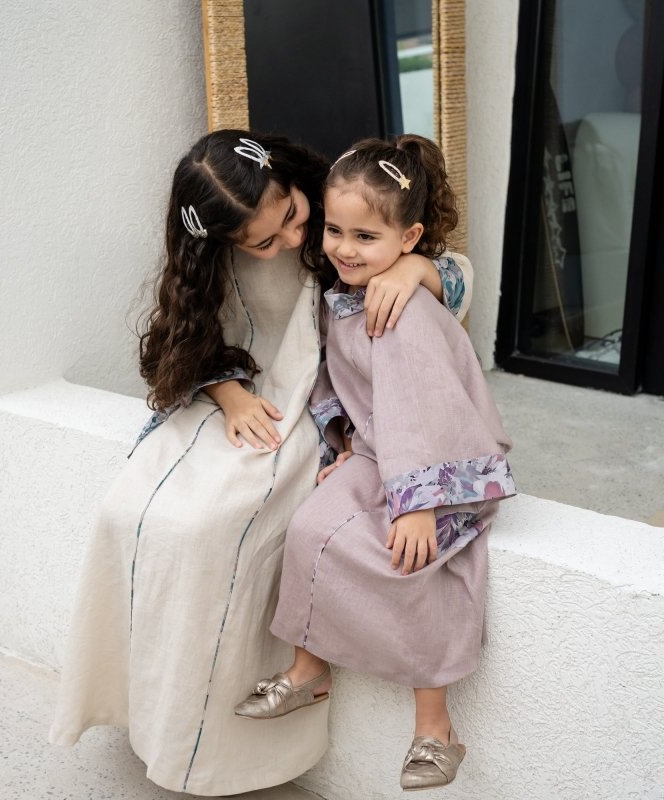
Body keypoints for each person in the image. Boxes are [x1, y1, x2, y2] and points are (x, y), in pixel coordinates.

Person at [48, 129, 473, 797]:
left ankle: (220, 740)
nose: (294, 241)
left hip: (316, 410)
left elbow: (454, 283)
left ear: (294, 183)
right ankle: (149, 710)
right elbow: (184, 346)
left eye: (295, 218)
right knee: (127, 510)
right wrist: (228, 394)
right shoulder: (217, 258)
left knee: (211, 525)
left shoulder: (345, 222)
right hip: (237, 400)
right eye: (264, 242)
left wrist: (418, 270)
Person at [233, 135, 514, 792]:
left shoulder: (402, 310)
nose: (345, 248)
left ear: (409, 238)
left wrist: (417, 505)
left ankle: (435, 727)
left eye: (365, 236)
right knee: (309, 527)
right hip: (380, 454)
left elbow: (422, 409)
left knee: (414, 561)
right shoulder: (345, 295)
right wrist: (344, 449)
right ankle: (309, 670)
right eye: (335, 230)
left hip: (439, 467)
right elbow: (342, 384)